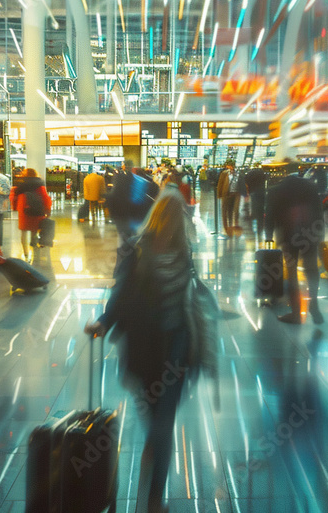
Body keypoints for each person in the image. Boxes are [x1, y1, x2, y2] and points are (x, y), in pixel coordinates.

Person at [84, 189, 198, 513]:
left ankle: (153, 499)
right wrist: (104, 322)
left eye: (180, 219)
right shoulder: (135, 250)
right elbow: (119, 293)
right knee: (153, 418)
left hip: (177, 346)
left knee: (163, 423)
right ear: (161, 216)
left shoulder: (184, 250)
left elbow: (190, 296)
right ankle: (154, 455)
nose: (177, 225)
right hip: (144, 348)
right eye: (173, 217)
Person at [266, 168, 325, 325]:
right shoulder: (310, 187)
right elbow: (319, 212)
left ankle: (296, 313)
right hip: (310, 234)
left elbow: (270, 215)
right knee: (311, 269)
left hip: (289, 236)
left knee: (291, 273)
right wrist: (320, 234)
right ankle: (314, 304)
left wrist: (268, 236)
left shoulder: (275, 190)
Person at [9, 168, 52, 262]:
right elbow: (45, 197)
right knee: (34, 229)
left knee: (24, 232)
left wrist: (14, 208)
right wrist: (48, 210)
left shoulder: (20, 185)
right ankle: (34, 244)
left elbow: (13, 197)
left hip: (24, 210)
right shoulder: (39, 184)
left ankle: (26, 254)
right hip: (37, 210)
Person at [216, 159, 241, 234]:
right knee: (225, 211)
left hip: (235, 194)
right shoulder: (224, 173)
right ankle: (226, 227)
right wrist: (219, 194)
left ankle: (233, 225)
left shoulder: (237, 173)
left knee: (234, 210)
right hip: (226, 194)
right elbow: (220, 184)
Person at [243, 163, 268, 238]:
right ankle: (260, 227)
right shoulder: (262, 173)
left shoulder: (249, 174)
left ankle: (253, 219)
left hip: (253, 192)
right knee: (261, 209)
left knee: (255, 207)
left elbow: (246, 182)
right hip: (262, 192)